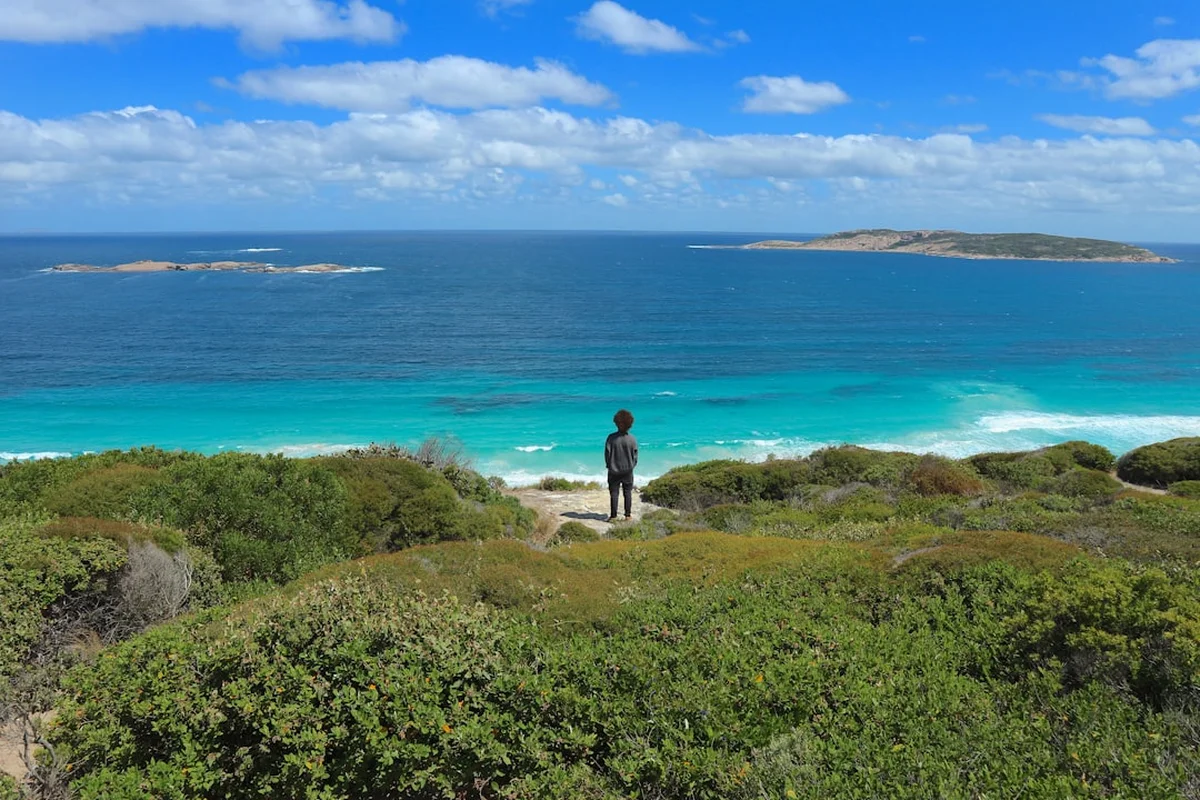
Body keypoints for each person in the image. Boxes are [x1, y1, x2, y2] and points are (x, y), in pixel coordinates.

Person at [605, 409, 638, 522]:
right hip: (628, 471)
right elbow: (635, 457)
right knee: (627, 493)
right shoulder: (632, 439)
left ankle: (613, 516)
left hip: (613, 471)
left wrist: (609, 466)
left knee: (614, 493)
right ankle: (627, 515)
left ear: (616, 422)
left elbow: (607, 455)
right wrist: (631, 466)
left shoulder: (611, 438)